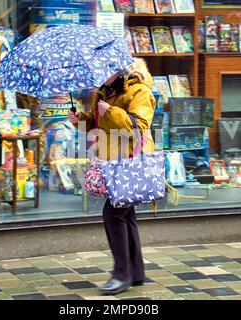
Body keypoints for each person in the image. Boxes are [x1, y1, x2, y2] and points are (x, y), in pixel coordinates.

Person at [68, 58, 156, 295]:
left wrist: (113, 111)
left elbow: (139, 127)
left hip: (130, 160)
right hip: (112, 160)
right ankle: (136, 272)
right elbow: (100, 127)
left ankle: (121, 274)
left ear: (120, 71)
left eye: (105, 70)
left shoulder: (139, 91)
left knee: (113, 214)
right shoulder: (103, 92)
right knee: (126, 215)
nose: (100, 74)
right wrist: (82, 121)